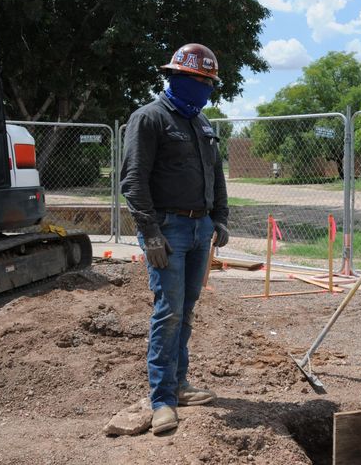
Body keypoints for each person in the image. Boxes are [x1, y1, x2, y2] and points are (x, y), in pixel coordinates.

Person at [120, 43, 230, 435]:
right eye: (199, 80)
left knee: (187, 309)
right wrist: (150, 233)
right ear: (177, 77)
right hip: (168, 230)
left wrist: (220, 219)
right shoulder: (148, 119)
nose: (205, 87)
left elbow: (216, 176)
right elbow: (133, 181)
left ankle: (180, 384)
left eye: (209, 81)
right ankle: (162, 399)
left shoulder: (201, 122)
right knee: (168, 311)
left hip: (201, 230)